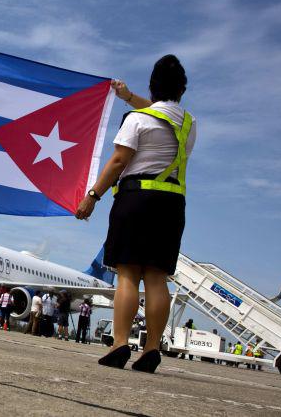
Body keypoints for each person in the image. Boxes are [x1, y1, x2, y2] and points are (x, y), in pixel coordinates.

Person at [77, 55, 198, 374]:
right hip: (171, 204)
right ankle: (152, 348)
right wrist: (129, 97)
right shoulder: (188, 125)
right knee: (157, 277)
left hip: (136, 199)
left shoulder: (137, 120)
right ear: (181, 90)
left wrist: (93, 196)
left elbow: (118, 161)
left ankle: (120, 344)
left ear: (152, 86)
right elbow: (161, 113)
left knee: (128, 273)